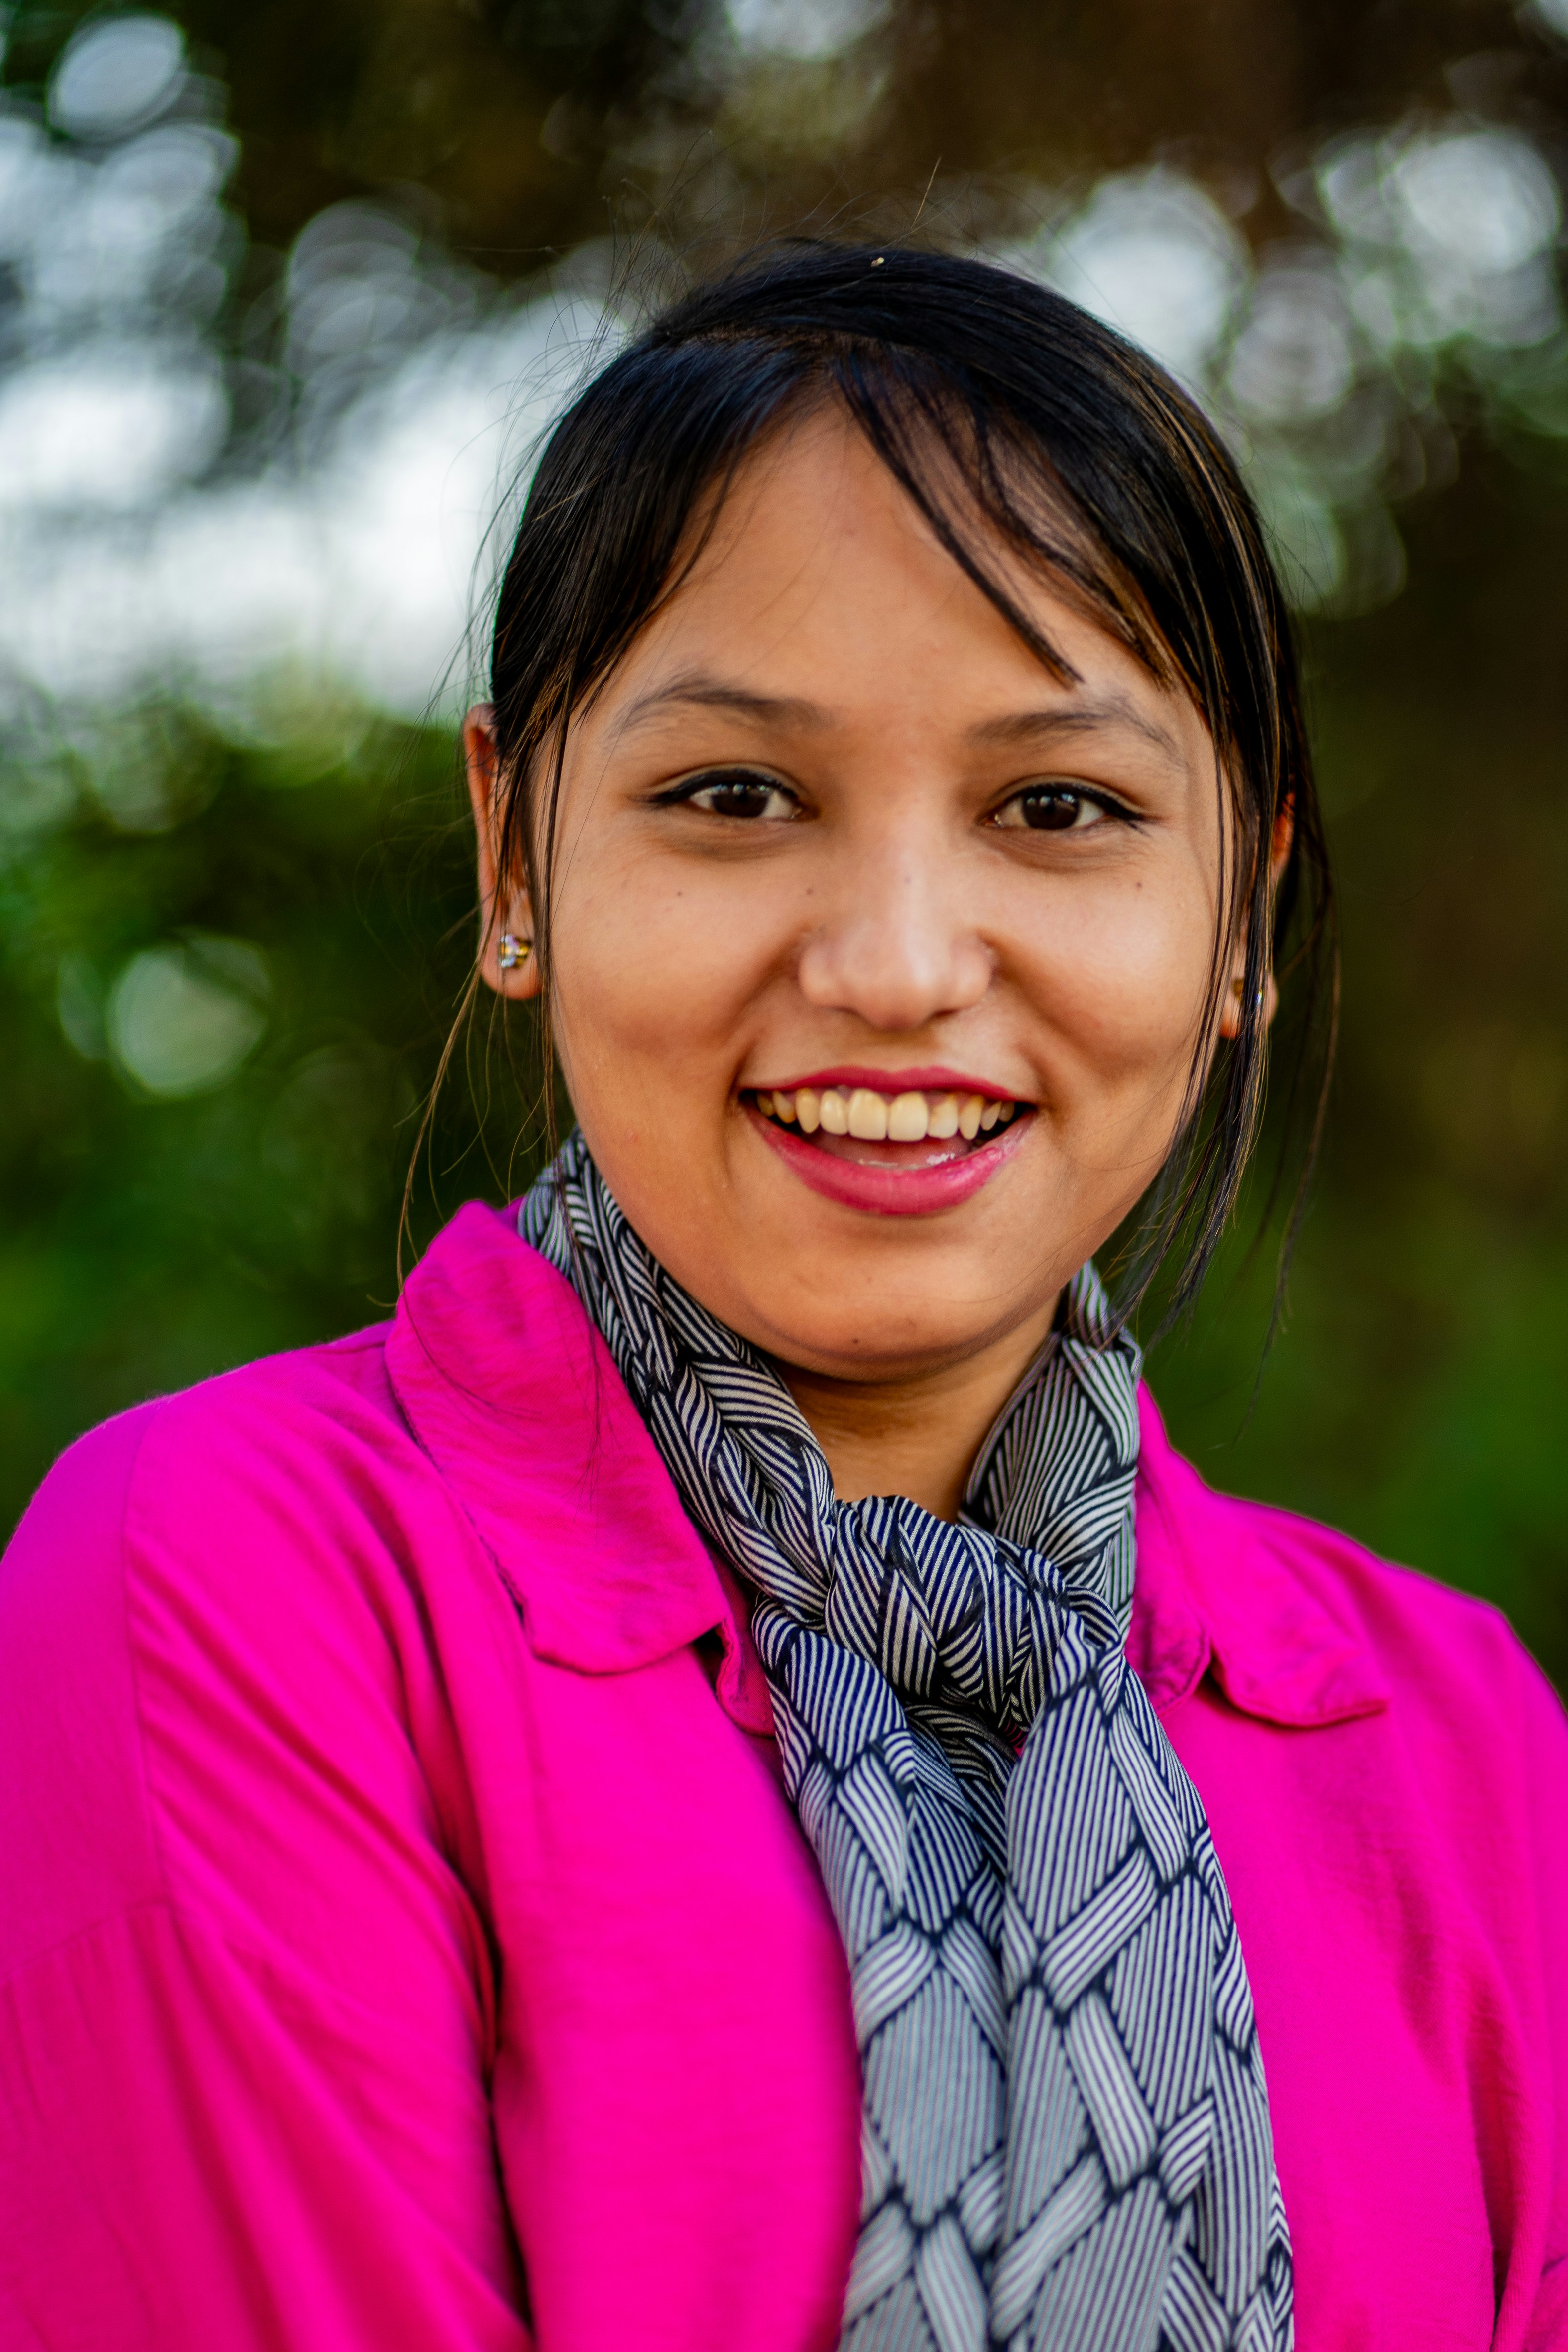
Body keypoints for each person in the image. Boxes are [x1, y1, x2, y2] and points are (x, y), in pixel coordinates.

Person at [1, 242, 1564, 2352]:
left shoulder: (1455, 1741)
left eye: (1058, 806)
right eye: (734, 797)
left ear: (1235, 919)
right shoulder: (246, 1591)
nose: (899, 959)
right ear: (513, 860)